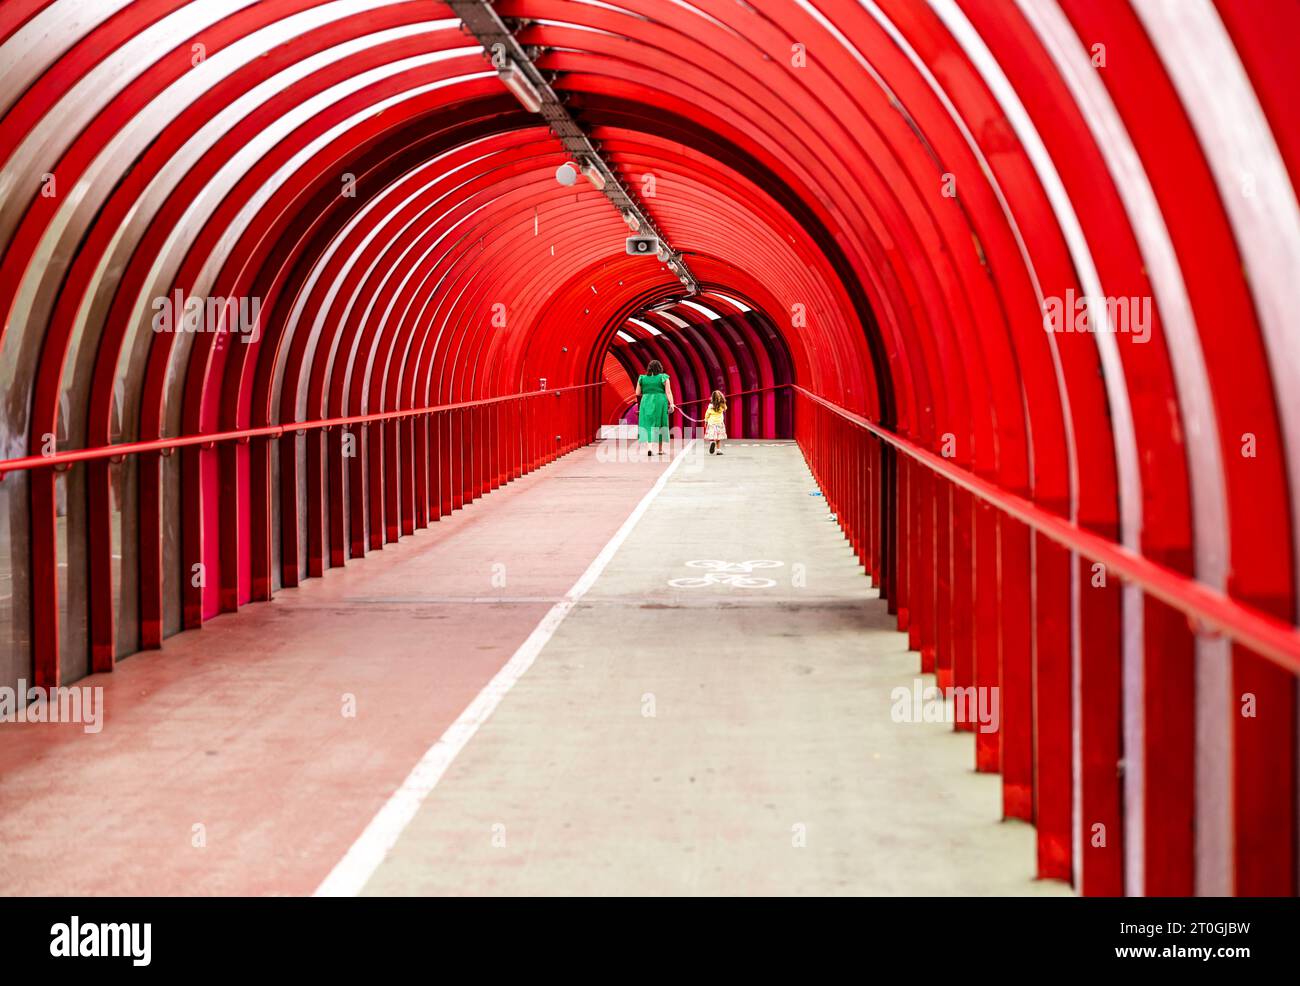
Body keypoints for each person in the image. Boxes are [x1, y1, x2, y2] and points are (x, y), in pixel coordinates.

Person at [635, 360, 675, 456]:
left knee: (648, 424)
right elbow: (668, 392)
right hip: (660, 402)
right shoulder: (664, 377)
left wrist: (647, 391)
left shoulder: (642, 378)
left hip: (646, 401)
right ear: (660, 368)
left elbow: (637, 393)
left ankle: (649, 448)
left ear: (649, 368)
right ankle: (660, 450)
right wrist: (672, 404)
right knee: (660, 423)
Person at [704, 390, 728, 455]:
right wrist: (722, 402)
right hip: (719, 423)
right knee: (718, 437)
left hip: (711, 423)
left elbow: (707, 414)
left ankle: (712, 442)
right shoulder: (722, 406)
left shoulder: (710, 407)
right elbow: (725, 408)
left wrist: (705, 421)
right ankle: (718, 450)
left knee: (712, 435)